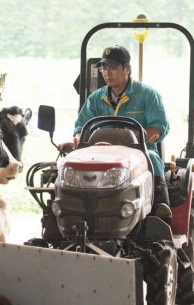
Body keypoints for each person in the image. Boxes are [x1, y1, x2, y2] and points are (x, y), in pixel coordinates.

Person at [59, 45, 172, 221]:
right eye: (104, 67)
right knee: (68, 167)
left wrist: (138, 138)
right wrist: (78, 142)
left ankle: (160, 208)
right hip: (100, 153)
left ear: (127, 69)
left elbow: (159, 126)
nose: (106, 72)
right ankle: (66, 211)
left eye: (112, 67)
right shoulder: (96, 98)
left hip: (140, 151)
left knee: (152, 157)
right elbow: (82, 127)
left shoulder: (147, 95)